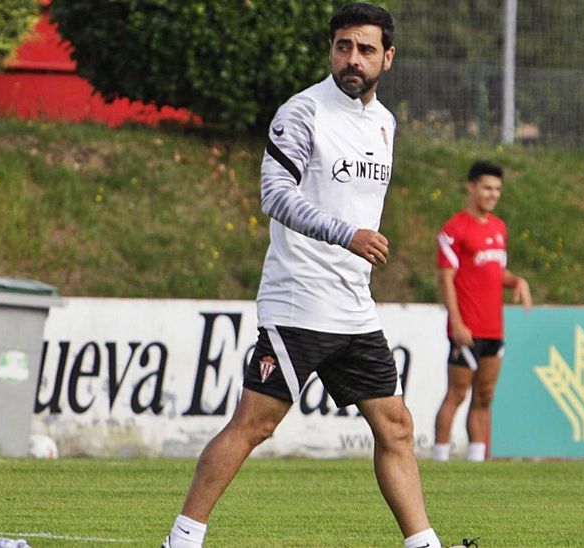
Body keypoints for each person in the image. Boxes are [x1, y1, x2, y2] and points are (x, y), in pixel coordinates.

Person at [163, 4, 448, 548]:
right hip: (300, 300)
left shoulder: (385, 122)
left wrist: (352, 247)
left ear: (387, 57)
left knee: (396, 427)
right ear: (331, 51)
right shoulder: (301, 113)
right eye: (343, 46)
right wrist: (347, 234)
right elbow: (275, 195)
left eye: (365, 49)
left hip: (353, 305)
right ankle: (182, 539)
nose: (352, 59)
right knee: (255, 425)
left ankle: (423, 544)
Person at [430, 161, 532, 463]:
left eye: (498, 189)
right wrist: (457, 323)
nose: (493, 194)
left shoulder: (499, 228)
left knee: (485, 396)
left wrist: (516, 280)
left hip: (493, 328)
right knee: (457, 394)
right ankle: (439, 458)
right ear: (471, 187)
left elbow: (494, 271)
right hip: (467, 328)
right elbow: (446, 278)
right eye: (487, 187)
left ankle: (477, 462)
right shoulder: (454, 229)